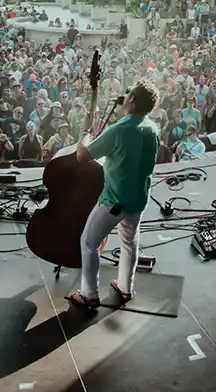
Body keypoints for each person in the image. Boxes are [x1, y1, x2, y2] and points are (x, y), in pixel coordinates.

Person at [67, 79, 160, 310]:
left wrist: (85, 132)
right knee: (129, 243)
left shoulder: (119, 129)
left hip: (114, 201)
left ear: (133, 100)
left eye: (128, 92)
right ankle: (126, 288)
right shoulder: (153, 128)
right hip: (138, 199)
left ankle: (90, 295)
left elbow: (82, 155)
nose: (125, 95)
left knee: (89, 243)